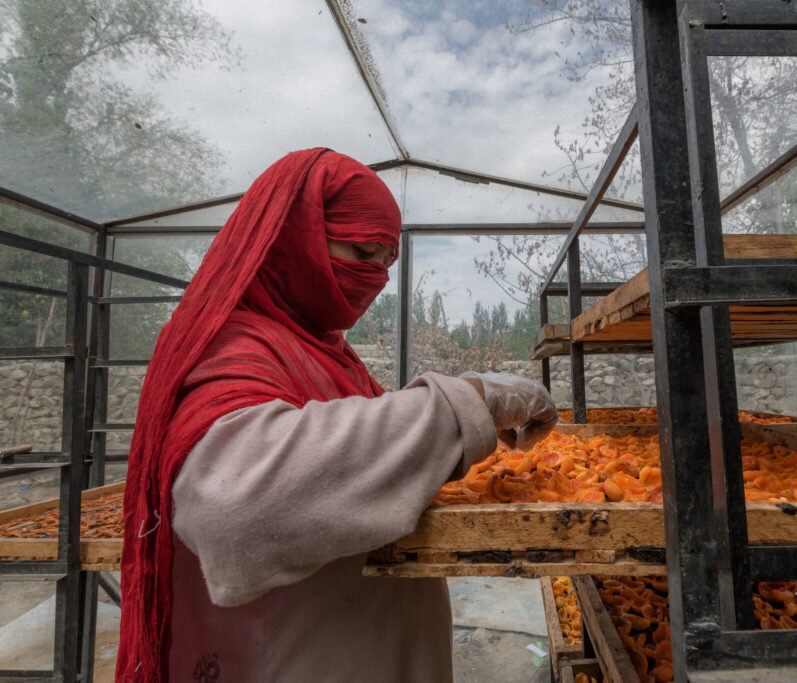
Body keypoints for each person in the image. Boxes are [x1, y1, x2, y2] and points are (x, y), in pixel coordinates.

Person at [116, 148, 559, 682]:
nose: (375, 279)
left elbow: (352, 458)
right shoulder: (232, 344)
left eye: (385, 263)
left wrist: (454, 421)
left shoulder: (323, 348)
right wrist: (470, 401)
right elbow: (234, 506)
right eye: (362, 252)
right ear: (291, 237)